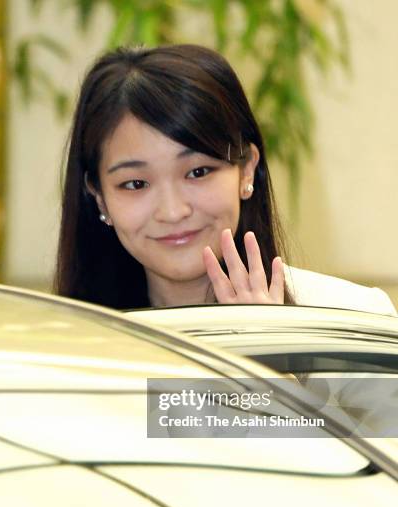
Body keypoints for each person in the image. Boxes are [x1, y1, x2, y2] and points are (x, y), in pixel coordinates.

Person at [54, 44, 396, 316]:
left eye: (198, 172)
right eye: (135, 184)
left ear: (246, 170)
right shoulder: (63, 349)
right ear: (99, 198)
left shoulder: (353, 319)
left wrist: (274, 367)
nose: (173, 212)